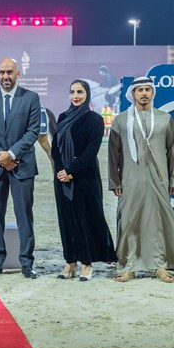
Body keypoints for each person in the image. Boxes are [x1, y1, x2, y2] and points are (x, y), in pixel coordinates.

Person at [108, 76, 174, 283]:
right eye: (139, 90)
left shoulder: (165, 118)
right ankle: (129, 265)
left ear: (153, 93)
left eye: (147, 90)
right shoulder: (121, 120)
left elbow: (173, 152)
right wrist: (115, 181)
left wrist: (173, 180)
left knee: (157, 220)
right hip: (129, 178)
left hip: (158, 178)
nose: (143, 93)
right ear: (132, 94)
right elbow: (113, 154)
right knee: (129, 220)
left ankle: (159, 265)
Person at [0, 58, 41, 279]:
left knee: (24, 216)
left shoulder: (31, 98)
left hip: (22, 166)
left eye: (10, 72)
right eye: (2, 72)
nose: (6, 76)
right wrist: (2, 157)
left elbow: (33, 132)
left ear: (18, 74)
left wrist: (11, 154)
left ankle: (26, 262)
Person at [51, 79, 117, 281]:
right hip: (62, 179)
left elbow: (91, 152)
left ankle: (87, 263)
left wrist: (71, 170)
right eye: (72, 92)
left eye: (80, 92)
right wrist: (61, 170)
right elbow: (56, 149)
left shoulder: (95, 119)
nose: (76, 96)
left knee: (84, 219)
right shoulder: (63, 117)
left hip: (84, 178)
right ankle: (70, 262)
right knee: (66, 220)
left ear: (87, 94)